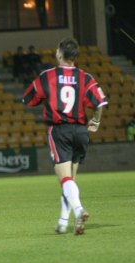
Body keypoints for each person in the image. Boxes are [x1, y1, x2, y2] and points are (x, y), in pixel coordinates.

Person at [22, 37, 108, 235]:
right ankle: (63, 222)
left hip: (60, 130)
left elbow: (29, 99)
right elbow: (100, 103)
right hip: (80, 131)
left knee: (65, 179)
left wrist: (46, 99)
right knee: (70, 180)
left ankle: (79, 210)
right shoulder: (85, 77)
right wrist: (95, 121)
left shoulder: (48, 76)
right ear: (75, 56)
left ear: (59, 53)